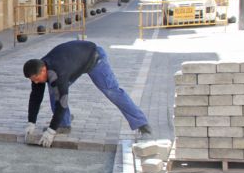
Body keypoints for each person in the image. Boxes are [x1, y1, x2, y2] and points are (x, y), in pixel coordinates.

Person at [23, 40, 151, 148]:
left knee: (112, 91)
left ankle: (142, 124)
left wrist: (51, 131)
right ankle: (63, 124)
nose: (35, 81)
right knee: (53, 90)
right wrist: (31, 122)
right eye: (32, 79)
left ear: (43, 70)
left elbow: (62, 102)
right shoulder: (37, 69)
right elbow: (35, 97)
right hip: (74, 63)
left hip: (94, 58)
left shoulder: (58, 73)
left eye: (36, 78)